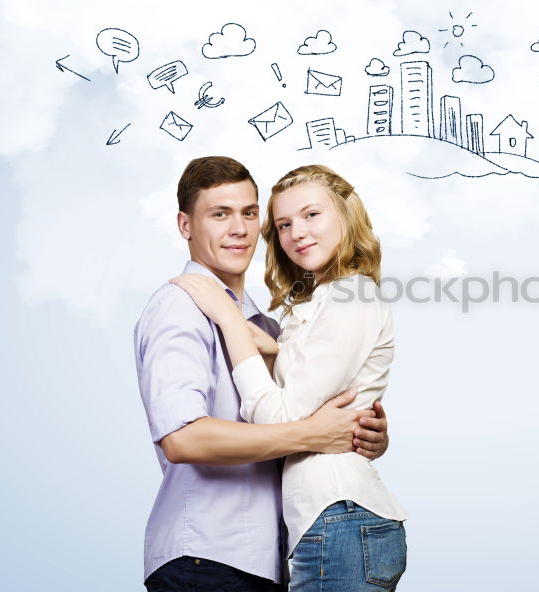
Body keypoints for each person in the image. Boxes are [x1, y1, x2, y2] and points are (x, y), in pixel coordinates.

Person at [134, 157, 391, 591]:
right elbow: (183, 438)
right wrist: (312, 435)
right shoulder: (180, 305)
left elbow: (310, 413)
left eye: (249, 213)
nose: (239, 228)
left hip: (274, 558)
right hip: (207, 556)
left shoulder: (267, 326)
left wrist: (363, 431)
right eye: (219, 214)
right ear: (185, 225)